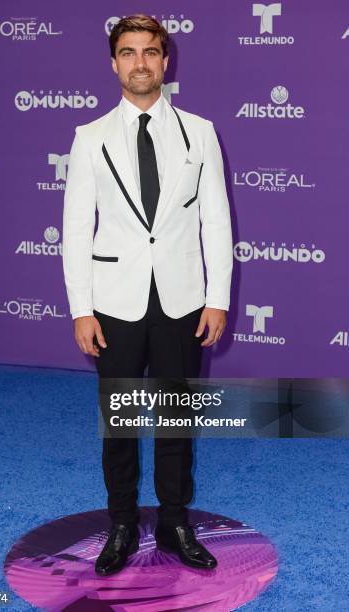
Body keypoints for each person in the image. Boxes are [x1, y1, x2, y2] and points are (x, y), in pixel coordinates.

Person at [62, 14, 233, 576]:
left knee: (177, 417)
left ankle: (175, 521)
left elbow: (215, 220)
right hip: (115, 300)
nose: (140, 63)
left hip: (183, 298)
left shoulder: (200, 131)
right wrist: (81, 309)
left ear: (166, 61)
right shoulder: (89, 137)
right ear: (114, 63)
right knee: (119, 419)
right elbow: (75, 228)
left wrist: (218, 296)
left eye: (151, 52)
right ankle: (119, 522)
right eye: (129, 52)